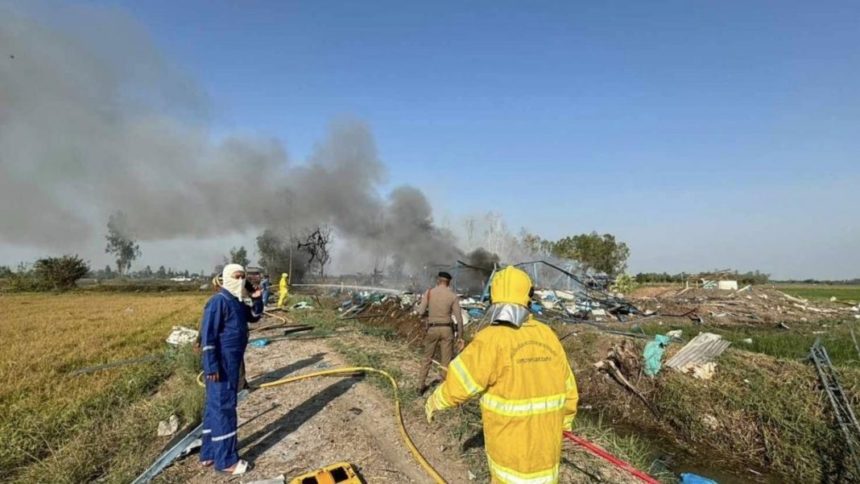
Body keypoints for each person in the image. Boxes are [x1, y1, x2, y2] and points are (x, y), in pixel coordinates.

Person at [425, 266, 578, 483]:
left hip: (510, 454)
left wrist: (435, 401)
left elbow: (461, 383)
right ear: (527, 297)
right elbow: (569, 389)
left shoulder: (491, 339)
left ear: (494, 298)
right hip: (547, 455)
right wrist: (565, 423)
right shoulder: (548, 336)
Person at [199, 264, 263, 475]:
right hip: (221, 364)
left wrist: (256, 297)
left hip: (232, 363)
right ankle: (226, 461)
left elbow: (254, 316)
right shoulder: (218, 302)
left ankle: (209, 453)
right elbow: (208, 338)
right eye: (237, 277)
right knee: (224, 408)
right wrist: (211, 366)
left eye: (243, 277)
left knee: (214, 408)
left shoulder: (236, 302)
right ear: (226, 278)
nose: (241, 280)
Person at [415, 271, 464, 395]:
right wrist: (460, 336)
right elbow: (459, 318)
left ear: (438, 280)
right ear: (449, 282)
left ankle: (420, 386)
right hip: (447, 330)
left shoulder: (430, 293)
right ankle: (442, 390)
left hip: (432, 329)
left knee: (427, 358)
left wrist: (428, 314)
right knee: (445, 361)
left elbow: (420, 312)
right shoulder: (452, 296)